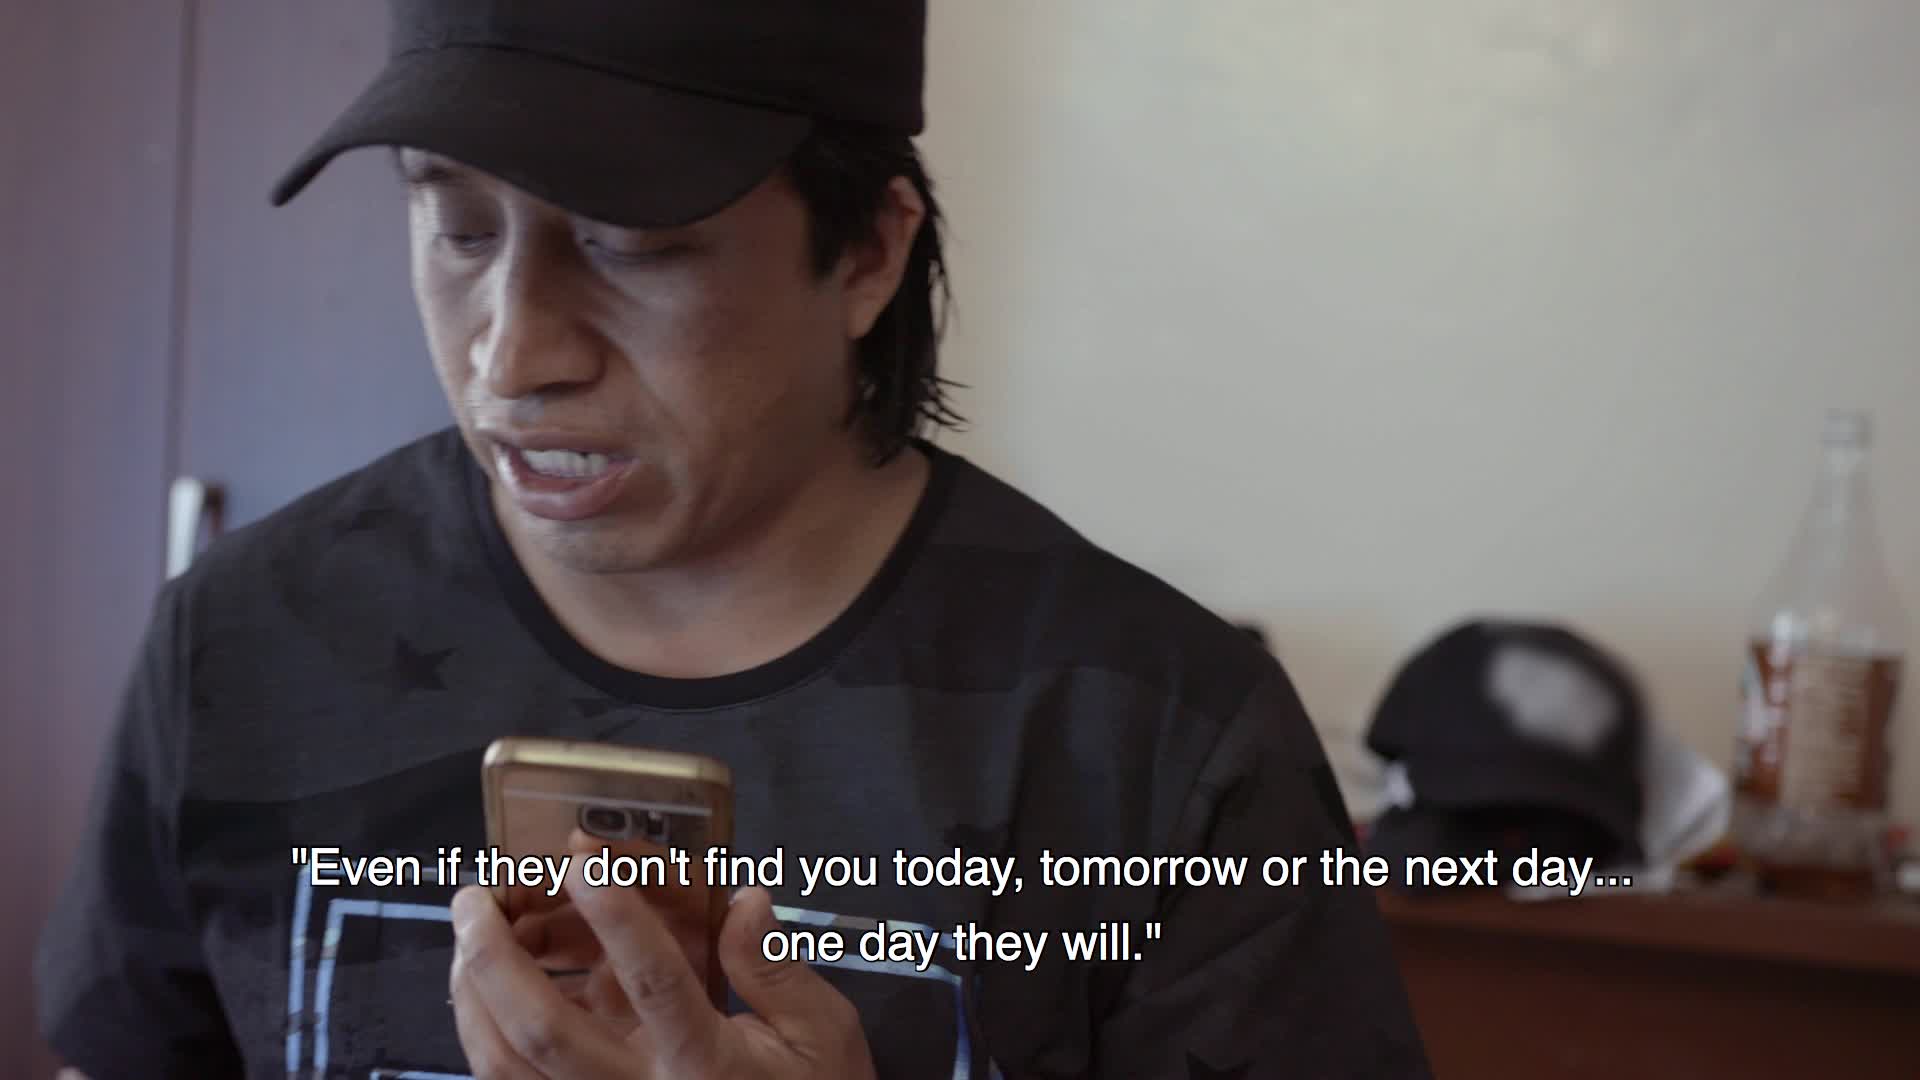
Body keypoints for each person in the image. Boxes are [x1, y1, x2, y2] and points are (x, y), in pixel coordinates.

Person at [35, 2, 1431, 1077]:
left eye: (627, 244)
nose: (511, 357)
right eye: (457, 228)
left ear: (869, 252)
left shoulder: (1160, 740)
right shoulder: (244, 637)